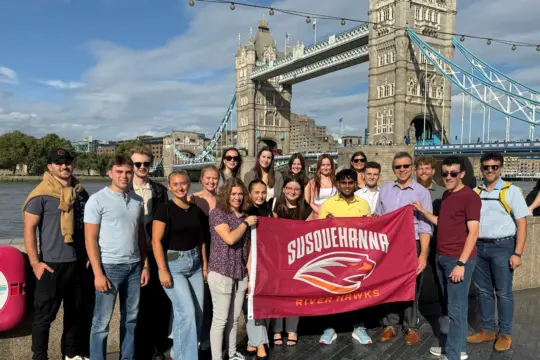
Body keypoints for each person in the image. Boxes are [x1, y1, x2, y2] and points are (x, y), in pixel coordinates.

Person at [22, 148, 90, 360]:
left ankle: (70, 354)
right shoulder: (40, 195)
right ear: (50, 167)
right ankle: (40, 357)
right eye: (58, 163)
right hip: (52, 265)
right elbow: (29, 230)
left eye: (67, 162)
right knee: (44, 317)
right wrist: (35, 263)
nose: (64, 166)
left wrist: (89, 255)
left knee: (75, 314)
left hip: (78, 263)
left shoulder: (81, 192)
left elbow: (86, 226)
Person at [413, 156, 481, 360]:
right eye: (445, 173)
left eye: (453, 173)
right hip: (442, 257)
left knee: (456, 309)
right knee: (451, 304)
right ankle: (457, 348)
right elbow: (443, 222)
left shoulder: (470, 197)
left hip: (457, 260)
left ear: (462, 174)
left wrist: (461, 263)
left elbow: (474, 232)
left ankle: (452, 354)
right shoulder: (448, 196)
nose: (448, 177)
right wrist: (424, 212)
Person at [84, 155, 150, 360]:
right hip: (109, 267)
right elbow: (90, 239)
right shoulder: (97, 200)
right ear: (110, 173)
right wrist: (98, 273)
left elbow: (140, 235)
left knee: (131, 319)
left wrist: (145, 265)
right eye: (119, 172)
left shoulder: (137, 201)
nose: (124, 176)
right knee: (101, 323)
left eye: (128, 172)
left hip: (134, 267)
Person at [467, 152, 529, 352]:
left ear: (501, 168)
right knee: (484, 292)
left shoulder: (512, 191)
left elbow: (522, 223)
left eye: (494, 167)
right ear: (481, 169)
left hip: (503, 247)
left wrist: (517, 253)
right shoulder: (475, 191)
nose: (490, 170)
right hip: (479, 246)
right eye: (486, 167)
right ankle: (487, 330)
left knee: (503, 293)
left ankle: (505, 334)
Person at [375, 152, 433, 345]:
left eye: (406, 166)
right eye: (398, 167)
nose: (402, 170)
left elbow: (426, 226)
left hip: (411, 243)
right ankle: (390, 324)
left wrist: (423, 254)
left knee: (411, 286)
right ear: (393, 169)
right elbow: (380, 217)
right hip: (389, 245)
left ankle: (411, 327)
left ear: (412, 167)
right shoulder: (384, 190)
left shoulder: (421, 192)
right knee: (389, 284)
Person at [151, 171, 208, 360]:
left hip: (195, 265)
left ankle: (177, 352)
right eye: (175, 184)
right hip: (174, 264)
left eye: (183, 183)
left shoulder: (196, 210)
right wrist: (163, 270)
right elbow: (156, 241)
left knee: (197, 313)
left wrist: (205, 266)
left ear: (188, 185)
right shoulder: (164, 209)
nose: (180, 187)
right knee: (188, 313)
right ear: (169, 187)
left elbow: (201, 241)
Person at [317, 169, 373, 345]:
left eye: (350, 183)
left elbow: (372, 231)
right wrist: (327, 222)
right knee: (331, 291)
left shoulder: (364, 204)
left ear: (355, 184)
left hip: (357, 256)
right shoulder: (327, 204)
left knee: (358, 291)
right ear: (338, 184)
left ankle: (358, 327)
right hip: (335, 256)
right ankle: (329, 327)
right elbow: (318, 231)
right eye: (343, 183)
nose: (347, 186)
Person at [208, 178, 257, 360]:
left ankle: (231, 352)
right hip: (222, 272)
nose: (237, 197)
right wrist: (246, 224)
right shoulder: (218, 214)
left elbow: (249, 247)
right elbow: (229, 238)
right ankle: (216, 357)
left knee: (234, 318)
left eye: (240, 194)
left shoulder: (245, 216)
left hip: (240, 273)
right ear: (226, 195)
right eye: (233, 194)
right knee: (220, 320)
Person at [130, 147, 170, 360]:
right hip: (130, 252)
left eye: (146, 163)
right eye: (138, 164)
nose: (143, 167)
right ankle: (137, 350)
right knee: (135, 305)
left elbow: (164, 221)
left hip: (155, 250)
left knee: (157, 303)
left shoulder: (160, 190)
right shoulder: (123, 189)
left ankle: (157, 347)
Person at [271, 177, 314, 348]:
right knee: (276, 294)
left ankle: (292, 330)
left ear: (301, 192)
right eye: (289, 188)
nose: (292, 191)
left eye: (296, 189)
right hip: (276, 257)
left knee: (293, 295)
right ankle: (276, 330)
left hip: (297, 257)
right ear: (283, 189)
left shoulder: (306, 209)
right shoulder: (274, 205)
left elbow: (310, 232)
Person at [415, 155, 448, 333]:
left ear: (433, 171)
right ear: (415, 171)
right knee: (415, 281)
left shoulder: (443, 193)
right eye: (420, 168)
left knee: (441, 279)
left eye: (427, 168)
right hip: (415, 243)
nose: (424, 171)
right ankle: (414, 315)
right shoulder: (409, 191)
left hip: (438, 243)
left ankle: (445, 314)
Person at [190, 165, 219, 351]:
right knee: (198, 297)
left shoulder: (223, 199)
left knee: (212, 297)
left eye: (215, 178)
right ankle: (196, 338)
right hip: (199, 251)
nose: (211, 181)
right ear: (201, 179)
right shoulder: (192, 199)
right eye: (208, 178)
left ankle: (209, 338)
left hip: (218, 251)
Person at [245, 180, 274, 360]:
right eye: (256, 192)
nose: (260, 196)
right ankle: (261, 344)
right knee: (253, 303)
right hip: (252, 260)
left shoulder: (269, 211)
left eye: (263, 192)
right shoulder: (247, 212)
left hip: (266, 262)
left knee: (264, 301)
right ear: (250, 193)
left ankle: (252, 341)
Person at [305, 154, 338, 218]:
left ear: (332, 166)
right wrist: (323, 213)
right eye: (323, 165)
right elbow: (310, 203)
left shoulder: (336, 182)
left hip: (334, 214)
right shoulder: (313, 182)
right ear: (319, 166)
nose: (325, 168)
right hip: (318, 214)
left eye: (328, 165)